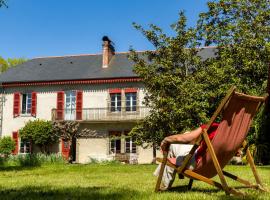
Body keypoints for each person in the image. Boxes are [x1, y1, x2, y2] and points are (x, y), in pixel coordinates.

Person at [154, 123, 219, 190]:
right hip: (215, 167)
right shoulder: (226, 133)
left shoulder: (212, 126)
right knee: (182, 137)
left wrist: (166, 139)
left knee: (171, 147)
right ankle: (175, 173)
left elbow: (182, 139)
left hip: (197, 164)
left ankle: (165, 186)